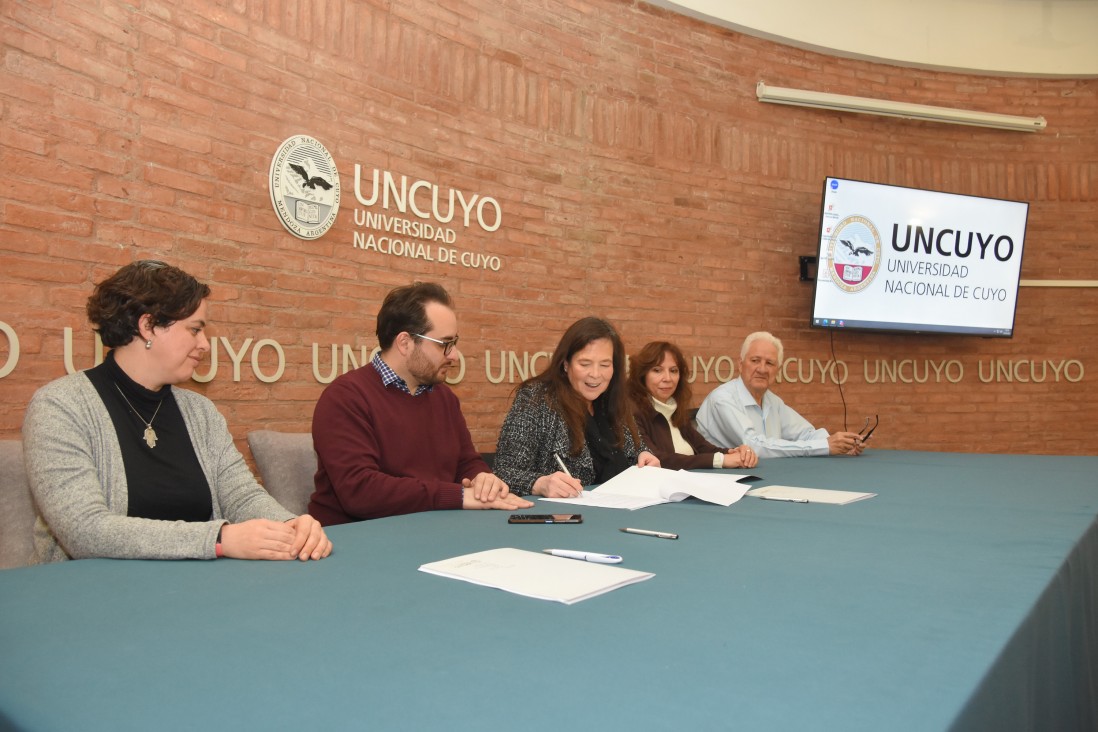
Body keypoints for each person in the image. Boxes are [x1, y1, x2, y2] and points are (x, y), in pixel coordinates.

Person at [22, 260, 332, 563]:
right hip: (91, 594)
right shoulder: (60, 407)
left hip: (197, 588)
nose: (205, 345)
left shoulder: (200, 412)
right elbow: (85, 531)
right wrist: (219, 539)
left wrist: (290, 525)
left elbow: (241, 496)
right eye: (194, 330)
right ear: (148, 326)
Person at [308, 282, 532, 524]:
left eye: (454, 343)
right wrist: (457, 496)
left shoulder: (444, 398)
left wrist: (481, 478)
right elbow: (361, 491)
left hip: (432, 527)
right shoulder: (346, 397)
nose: (454, 355)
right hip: (357, 538)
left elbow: (465, 462)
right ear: (405, 343)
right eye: (444, 344)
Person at [494, 317, 659, 497]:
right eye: (585, 364)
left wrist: (645, 457)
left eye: (605, 365)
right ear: (566, 364)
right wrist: (540, 484)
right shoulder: (537, 398)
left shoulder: (614, 401)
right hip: (565, 518)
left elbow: (637, 449)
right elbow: (503, 472)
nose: (595, 374)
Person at [696, 331, 864, 458]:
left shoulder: (773, 401)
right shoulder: (722, 399)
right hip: (725, 484)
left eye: (769, 363)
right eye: (755, 361)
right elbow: (755, 446)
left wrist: (842, 443)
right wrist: (824, 446)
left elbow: (806, 434)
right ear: (740, 365)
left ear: (777, 370)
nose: (762, 369)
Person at [628, 341, 758, 470]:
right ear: (642, 374)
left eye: (673, 371)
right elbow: (657, 459)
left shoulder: (673, 409)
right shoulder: (631, 411)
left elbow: (703, 447)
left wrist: (735, 453)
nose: (667, 378)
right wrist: (721, 460)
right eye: (657, 370)